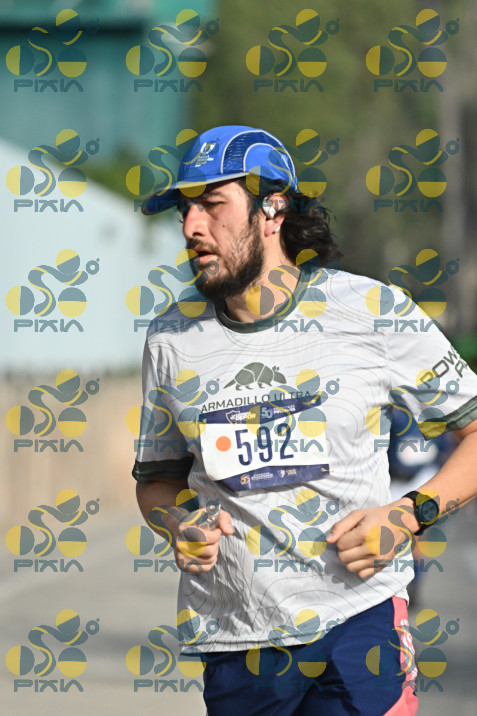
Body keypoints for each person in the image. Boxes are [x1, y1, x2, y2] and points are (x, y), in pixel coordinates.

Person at [133, 125, 477, 715]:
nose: (191, 226)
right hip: (236, 643)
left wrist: (408, 514)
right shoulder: (171, 338)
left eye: (212, 204)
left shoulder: (372, 312)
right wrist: (179, 523)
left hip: (359, 624)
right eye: (184, 210)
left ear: (273, 210)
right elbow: (157, 481)